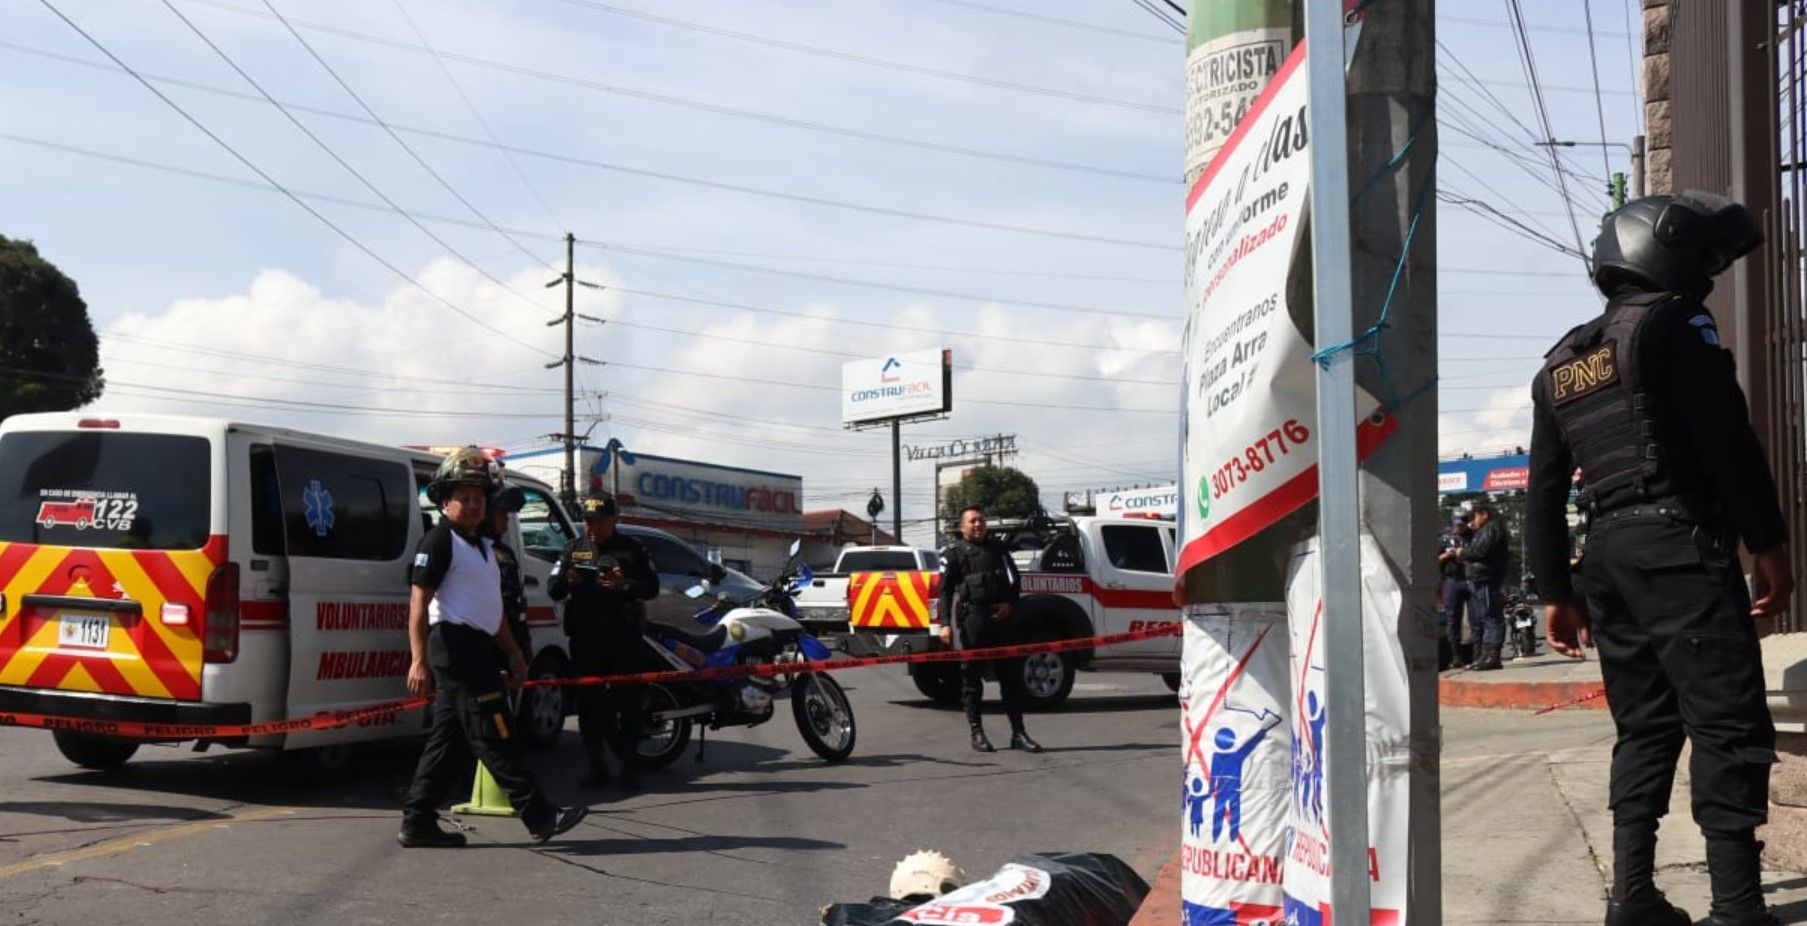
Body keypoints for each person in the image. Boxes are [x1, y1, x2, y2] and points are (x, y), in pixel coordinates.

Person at [1526, 192, 1794, 926]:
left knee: (1643, 727)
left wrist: (1554, 589)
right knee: (1725, 722)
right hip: (1675, 545)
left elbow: (1543, 489)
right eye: (1703, 260)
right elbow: (1727, 440)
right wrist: (1766, 541)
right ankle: (1737, 909)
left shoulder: (1562, 362)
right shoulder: (1674, 324)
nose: (1708, 275)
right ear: (1663, 253)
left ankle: (1632, 897)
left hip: (1606, 559)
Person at [398, 447, 587, 848]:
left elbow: (492, 611)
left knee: (446, 741)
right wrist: (417, 660)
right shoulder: (439, 541)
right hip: (453, 646)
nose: (471, 505)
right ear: (445, 501)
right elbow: (418, 603)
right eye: (463, 498)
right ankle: (539, 815)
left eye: (478, 499)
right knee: (494, 732)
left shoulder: (482, 548)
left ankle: (417, 821)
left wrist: (516, 655)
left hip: (477, 646)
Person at [549, 493, 659, 789]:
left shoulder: (632, 549)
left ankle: (629, 767)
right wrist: (565, 581)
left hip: (623, 638)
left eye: (599, 522)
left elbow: (651, 588)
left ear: (614, 520)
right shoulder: (573, 549)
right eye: (587, 521)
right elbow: (553, 589)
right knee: (589, 705)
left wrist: (626, 585)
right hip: (586, 639)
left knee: (629, 704)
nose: (592, 527)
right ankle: (596, 766)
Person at [937, 505, 1041, 753]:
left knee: (1012, 679)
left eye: (980, 520)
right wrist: (944, 624)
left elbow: (1015, 580)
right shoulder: (953, 553)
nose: (977, 525)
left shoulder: (999, 549)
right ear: (962, 527)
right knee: (972, 681)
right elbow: (945, 592)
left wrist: (1011, 605)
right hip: (974, 620)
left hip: (1003, 619)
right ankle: (977, 733)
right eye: (972, 521)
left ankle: (1019, 733)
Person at [484, 483, 532, 660]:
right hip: (489, 645)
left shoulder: (506, 552)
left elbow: (516, 599)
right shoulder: (475, 550)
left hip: (513, 636)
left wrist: (524, 642)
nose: (507, 519)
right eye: (501, 513)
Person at [1460, 502, 1510, 671]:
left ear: (1484, 514)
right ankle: (1485, 655)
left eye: (1474, 516)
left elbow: (1480, 551)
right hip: (1479, 578)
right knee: (1485, 617)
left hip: (1486, 578)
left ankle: (1493, 655)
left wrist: (1462, 553)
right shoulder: (1483, 530)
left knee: (1492, 616)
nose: (1472, 521)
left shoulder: (1491, 528)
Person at [1437, 513, 1474, 670]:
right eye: (1457, 524)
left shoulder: (1474, 536)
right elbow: (1433, 559)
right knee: (1453, 620)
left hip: (1470, 579)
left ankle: (1477, 654)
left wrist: (1464, 554)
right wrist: (1447, 554)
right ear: (1452, 523)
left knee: (1476, 619)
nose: (1460, 527)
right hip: (1451, 580)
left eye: (1463, 524)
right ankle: (1456, 656)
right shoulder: (1444, 537)